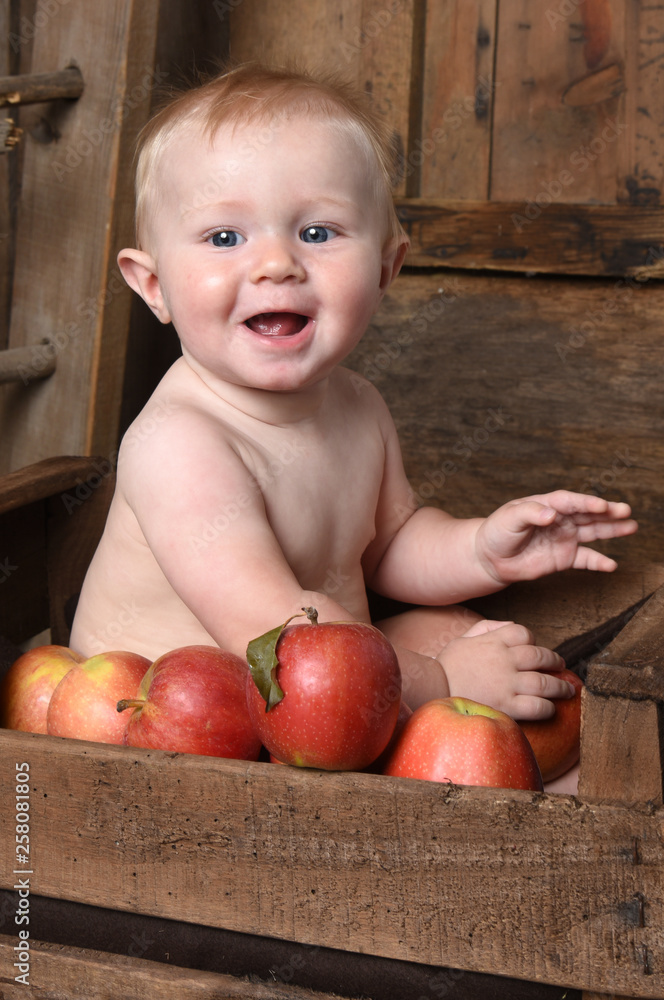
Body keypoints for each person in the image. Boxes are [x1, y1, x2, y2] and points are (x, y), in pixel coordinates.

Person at [70, 64, 637, 790]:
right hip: (185, 728)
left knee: (462, 628)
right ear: (153, 286)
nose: (276, 264)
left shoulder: (358, 406)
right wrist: (437, 680)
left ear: (385, 267)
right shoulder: (179, 444)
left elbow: (388, 547)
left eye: (317, 231)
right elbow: (279, 638)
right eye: (222, 237)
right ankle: (512, 793)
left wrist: (482, 548)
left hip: (318, 695)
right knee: (442, 662)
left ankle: (556, 784)